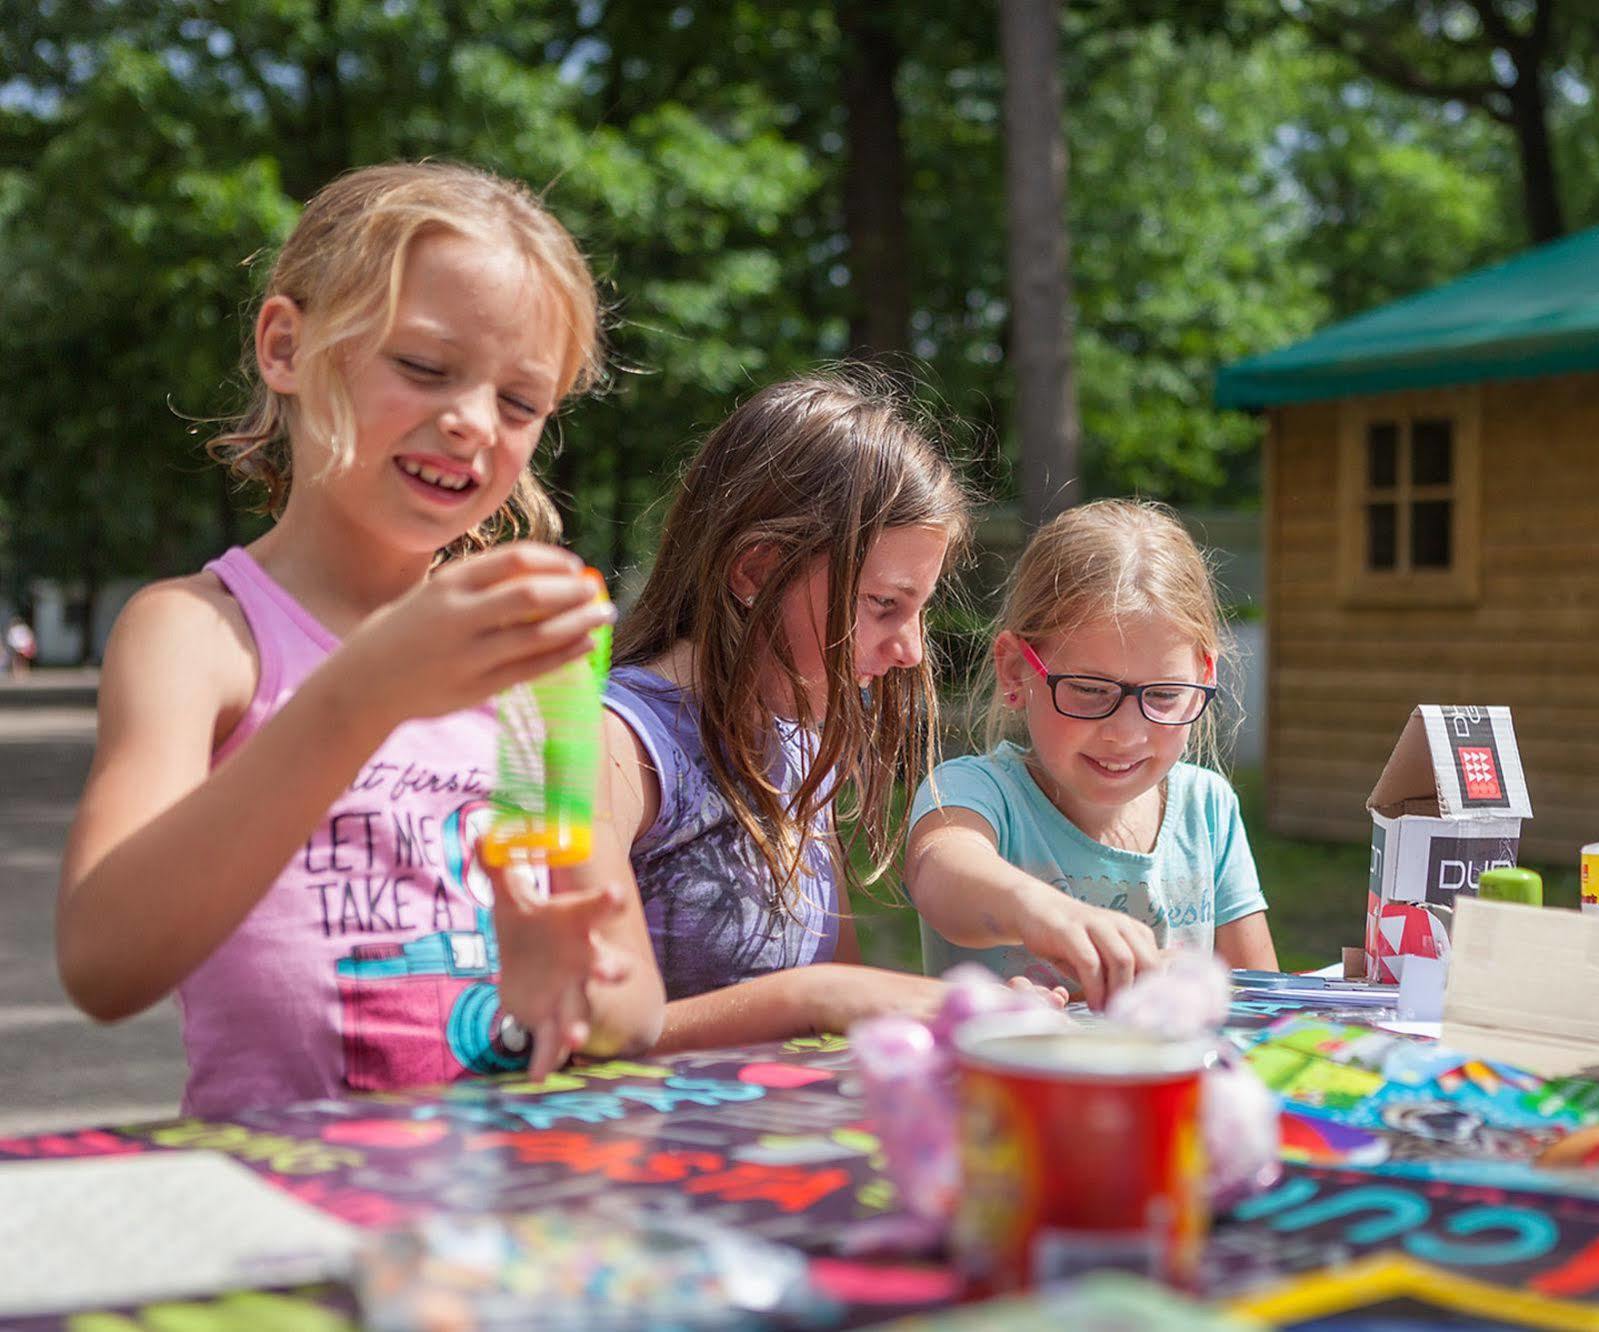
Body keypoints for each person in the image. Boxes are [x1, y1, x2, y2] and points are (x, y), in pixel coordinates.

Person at [57, 162, 656, 1115]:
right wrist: (364, 691)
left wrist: (563, 969)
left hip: (501, 1217)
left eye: (519, 403)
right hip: (288, 1217)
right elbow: (103, 961)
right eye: (422, 367)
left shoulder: (530, 666)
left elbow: (634, 1008)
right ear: (286, 346)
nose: (469, 423)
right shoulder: (200, 635)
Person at [514, 371, 1049, 1054]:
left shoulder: (804, 745)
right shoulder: (617, 745)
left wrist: (965, 1017)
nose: (912, 650)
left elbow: (848, 1010)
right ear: (756, 571)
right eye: (883, 605)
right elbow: (580, 1029)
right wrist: (811, 998)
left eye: (920, 610)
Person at [905, 499, 1278, 1001]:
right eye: (1089, 690)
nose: (1125, 733)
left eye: (1164, 695)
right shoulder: (973, 792)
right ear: (1017, 671)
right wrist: (1047, 914)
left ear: (1203, 678)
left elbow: (1265, 1003)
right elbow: (940, 873)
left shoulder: (1207, 809)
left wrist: (1196, 990)